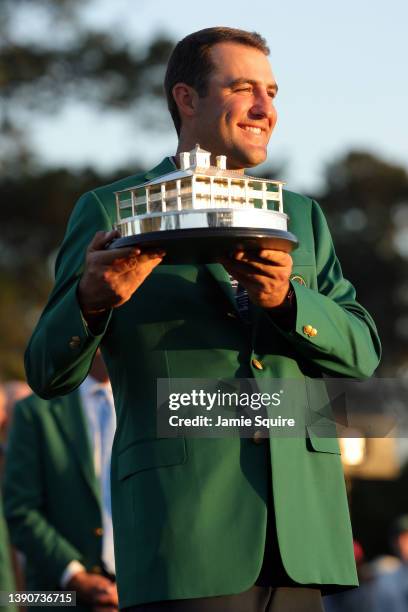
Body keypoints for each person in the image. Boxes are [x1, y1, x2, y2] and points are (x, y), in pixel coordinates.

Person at [24, 27, 381, 611]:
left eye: (272, 91)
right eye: (244, 88)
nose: (266, 108)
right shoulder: (109, 210)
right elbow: (45, 370)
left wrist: (288, 303)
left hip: (304, 539)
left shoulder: (303, 215)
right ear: (186, 99)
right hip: (183, 535)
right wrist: (90, 299)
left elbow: (363, 351)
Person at [3, 352, 118, 612]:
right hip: (62, 598)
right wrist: (75, 576)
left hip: (145, 594)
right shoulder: (34, 412)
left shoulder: (156, 402)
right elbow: (20, 509)